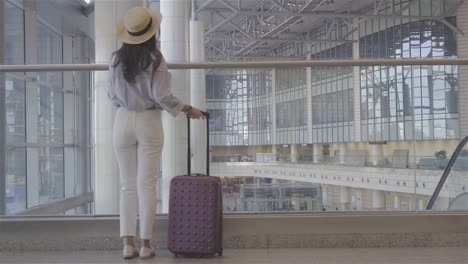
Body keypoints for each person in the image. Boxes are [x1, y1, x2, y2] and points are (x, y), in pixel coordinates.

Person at [108, 6, 205, 259]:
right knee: (147, 184)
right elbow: (161, 96)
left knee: (126, 186)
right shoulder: (155, 59)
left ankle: (127, 244)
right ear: (150, 32)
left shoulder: (115, 59)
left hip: (122, 121)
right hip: (149, 121)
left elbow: (112, 96)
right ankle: (145, 245)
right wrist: (187, 109)